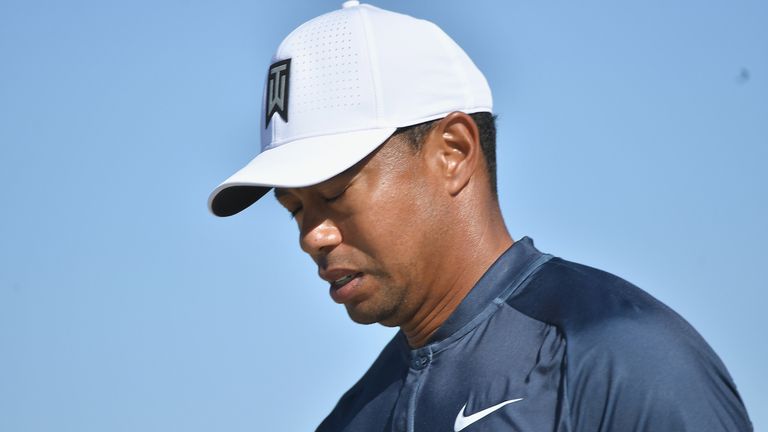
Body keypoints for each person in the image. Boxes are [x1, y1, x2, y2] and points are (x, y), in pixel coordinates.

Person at [208, 2, 753, 431]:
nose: (312, 237)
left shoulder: (623, 359)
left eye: (335, 194)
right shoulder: (353, 418)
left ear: (453, 151)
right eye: (296, 209)